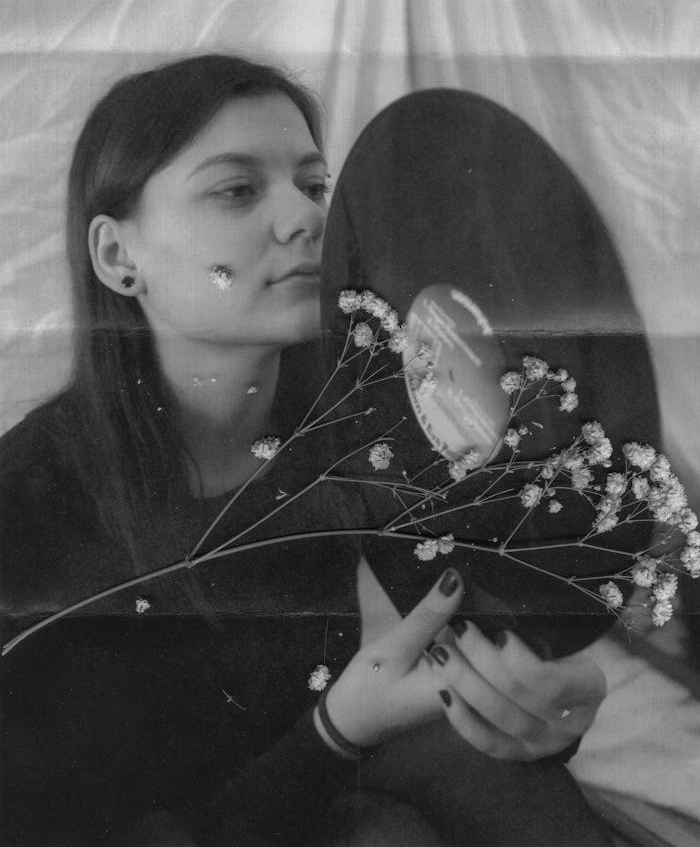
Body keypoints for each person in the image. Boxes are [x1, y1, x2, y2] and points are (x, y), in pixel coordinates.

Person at [1, 56, 613, 847]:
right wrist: (336, 731)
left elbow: (483, 626)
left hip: (328, 773)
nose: (305, 219)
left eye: (313, 185)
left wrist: (538, 705)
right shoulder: (28, 514)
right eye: (236, 190)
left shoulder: (364, 407)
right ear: (120, 258)